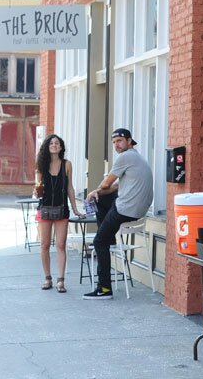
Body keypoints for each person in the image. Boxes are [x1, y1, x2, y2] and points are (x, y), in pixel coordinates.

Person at [83, 128, 153, 299]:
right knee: (101, 198)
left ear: (129, 141)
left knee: (99, 242)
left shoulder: (125, 156)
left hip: (126, 209)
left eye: (120, 141)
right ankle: (108, 237)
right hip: (138, 211)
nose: (116, 145)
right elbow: (116, 187)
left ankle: (104, 289)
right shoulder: (137, 157)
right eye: (114, 142)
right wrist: (97, 192)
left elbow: (107, 183)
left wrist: (95, 191)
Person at [34, 134, 84, 293]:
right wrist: (36, 192)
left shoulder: (67, 164)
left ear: (61, 147)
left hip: (62, 209)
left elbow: (70, 187)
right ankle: (47, 278)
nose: (54, 145)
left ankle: (61, 281)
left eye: (57, 143)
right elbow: (37, 188)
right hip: (45, 208)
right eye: (51, 143)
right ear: (47, 147)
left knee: (61, 245)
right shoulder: (41, 165)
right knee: (45, 245)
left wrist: (75, 208)